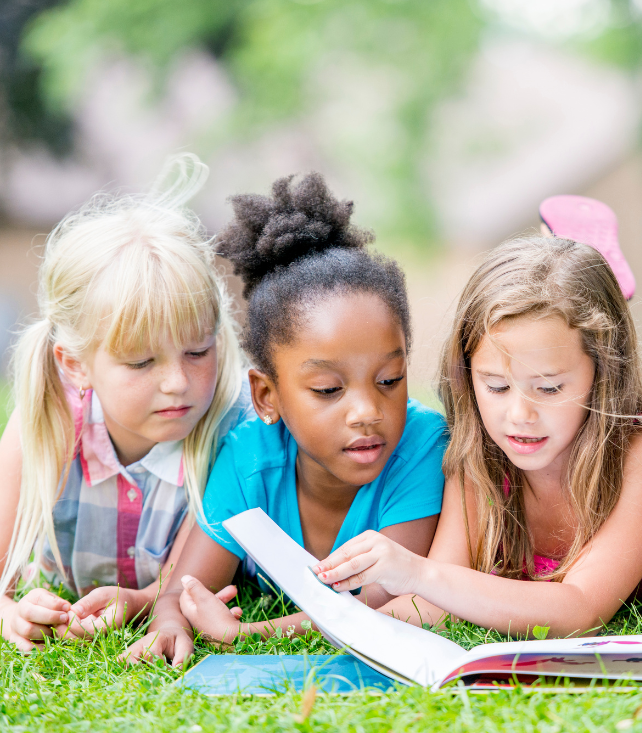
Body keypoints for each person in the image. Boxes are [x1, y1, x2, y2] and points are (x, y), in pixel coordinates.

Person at [126, 172, 447, 666]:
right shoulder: (248, 458)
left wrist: (249, 634)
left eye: (389, 380)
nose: (367, 412)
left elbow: (377, 603)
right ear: (267, 395)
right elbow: (184, 588)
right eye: (328, 390)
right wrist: (169, 622)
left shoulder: (422, 446)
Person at [311, 235, 642, 638]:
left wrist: (419, 572)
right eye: (496, 386)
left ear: (604, 372)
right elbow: (437, 601)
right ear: (468, 374)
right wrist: (289, 628)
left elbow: (580, 609)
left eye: (549, 388)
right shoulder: (480, 457)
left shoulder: (641, 454)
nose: (520, 415)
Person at [0, 155, 252, 652]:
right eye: (141, 363)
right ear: (75, 365)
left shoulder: (235, 423)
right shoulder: (47, 415)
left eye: (198, 351)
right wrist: (12, 614)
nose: (178, 382)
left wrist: (144, 602)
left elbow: (188, 585)